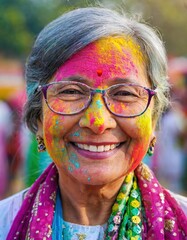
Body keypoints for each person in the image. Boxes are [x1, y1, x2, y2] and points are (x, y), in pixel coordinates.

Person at [0, 7, 187, 240]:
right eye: (71, 91)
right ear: (38, 117)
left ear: (154, 115)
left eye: (125, 94)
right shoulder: (5, 224)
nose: (98, 122)